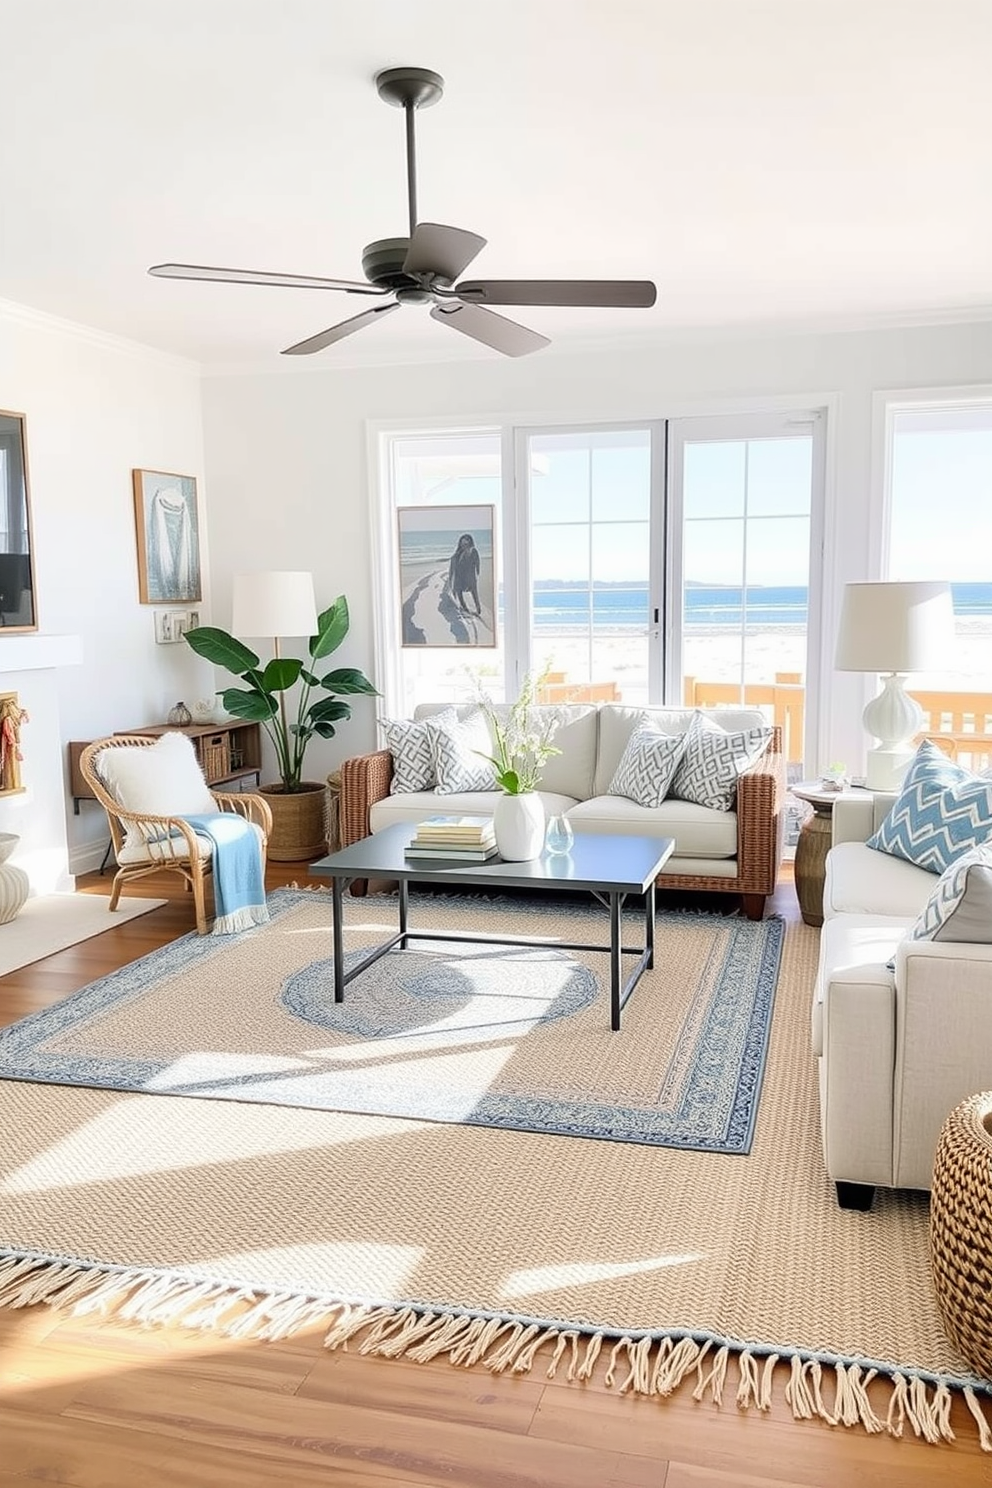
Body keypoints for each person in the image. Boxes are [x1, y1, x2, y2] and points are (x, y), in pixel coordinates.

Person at [447, 532, 482, 617]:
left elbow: (477, 562)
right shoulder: (457, 553)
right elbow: (453, 566)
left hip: (469, 577)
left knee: (474, 592)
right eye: (463, 543)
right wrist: (451, 577)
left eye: (466, 543)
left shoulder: (472, 551)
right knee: (458, 590)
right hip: (460, 577)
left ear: (470, 542)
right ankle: (464, 607)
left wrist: (477, 570)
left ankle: (478, 608)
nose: (464, 545)